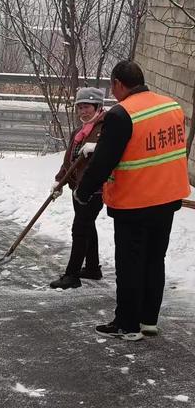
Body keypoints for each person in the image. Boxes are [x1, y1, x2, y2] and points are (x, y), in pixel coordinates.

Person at [74, 61, 190, 341]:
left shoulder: (122, 114)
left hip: (135, 202)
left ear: (117, 84)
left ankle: (127, 324)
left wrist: (84, 189)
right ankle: (149, 320)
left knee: (130, 264)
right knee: (154, 259)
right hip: (168, 197)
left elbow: (104, 160)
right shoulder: (171, 107)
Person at [49, 87, 106, 290]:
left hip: (94, 190)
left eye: (87, 107)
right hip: (77, 189)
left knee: (79, 229)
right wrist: (59, 182)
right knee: (88, 226)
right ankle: (92, 268)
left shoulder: (105, 128)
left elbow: (114, 152)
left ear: (98, 107)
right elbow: (69, 163)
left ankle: (72, 275)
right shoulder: (79, 133)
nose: (83, 112)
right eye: (80, 107)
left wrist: (98, 148)